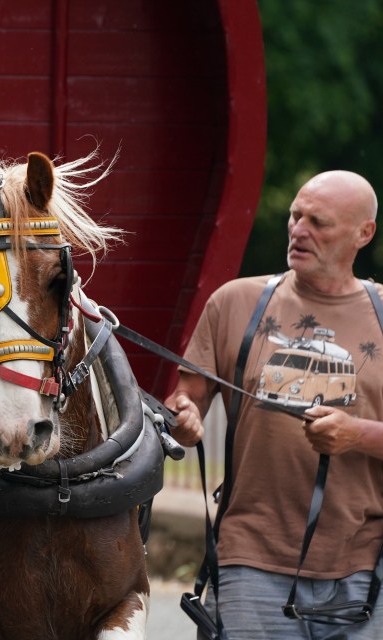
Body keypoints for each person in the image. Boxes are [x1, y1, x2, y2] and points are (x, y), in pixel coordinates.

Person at [165, 170, 383, 639]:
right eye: (295, 216)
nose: (299, 230)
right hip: (250, 559)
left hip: (365, 566)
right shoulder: (235, 303)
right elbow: (187, 399)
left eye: (318, 223)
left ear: (363, 233)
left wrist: (356, 434)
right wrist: (183, 417)